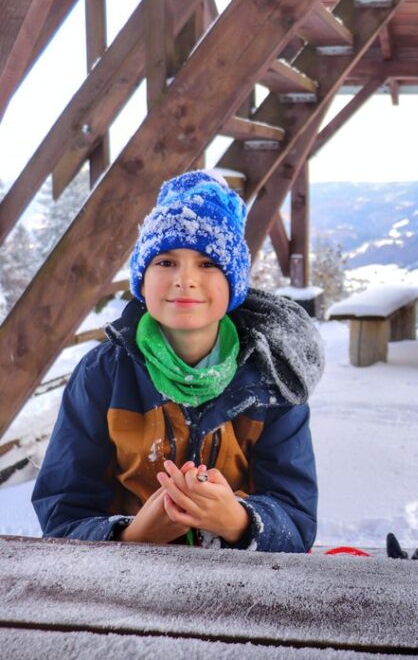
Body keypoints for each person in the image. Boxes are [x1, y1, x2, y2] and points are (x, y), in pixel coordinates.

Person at [32, 170, 324, 552]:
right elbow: (62, 514)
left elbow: (296, 522)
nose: (185, 280)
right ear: (141, 278)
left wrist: (238, 521)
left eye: (207, 264)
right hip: (122, 592)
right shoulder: (103, 375)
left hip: (243, 592)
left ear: (234, 282)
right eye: (165, 262)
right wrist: (134, 535)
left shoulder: (273, 377)